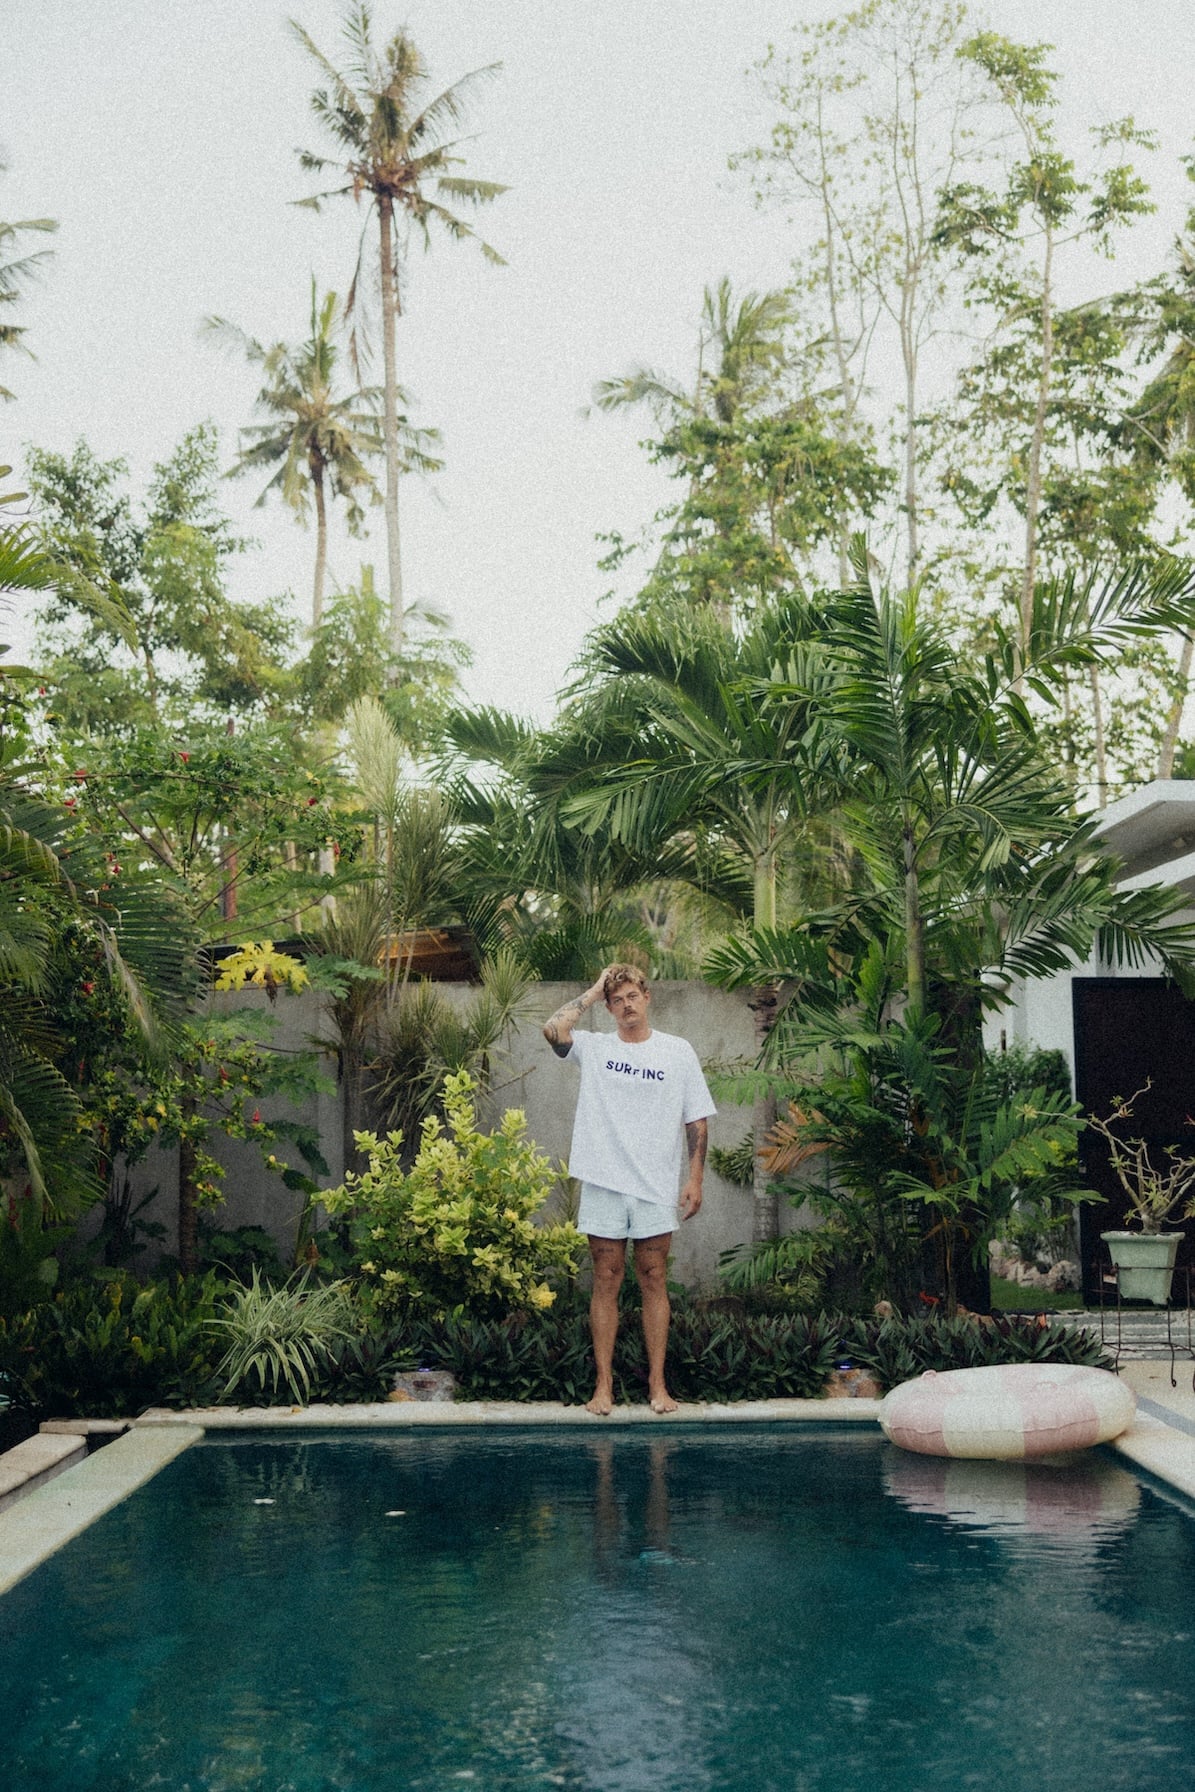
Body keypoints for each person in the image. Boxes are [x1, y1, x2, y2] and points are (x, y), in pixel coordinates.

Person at [543, 964, 715, 1415]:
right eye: (616, 999)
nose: (626, 1004)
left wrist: (694, 1179)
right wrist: (593, 990)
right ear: (609, 1004)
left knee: (654, 1279)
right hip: (604, 1181)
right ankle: (604, 1387)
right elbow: (552, 1029)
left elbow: (696, 1120)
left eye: (632, 995)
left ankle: (658, 1386)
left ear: (647, 996)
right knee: (605, 1278)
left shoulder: (677, 1052)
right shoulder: (595, 1048)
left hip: (655, 1185)